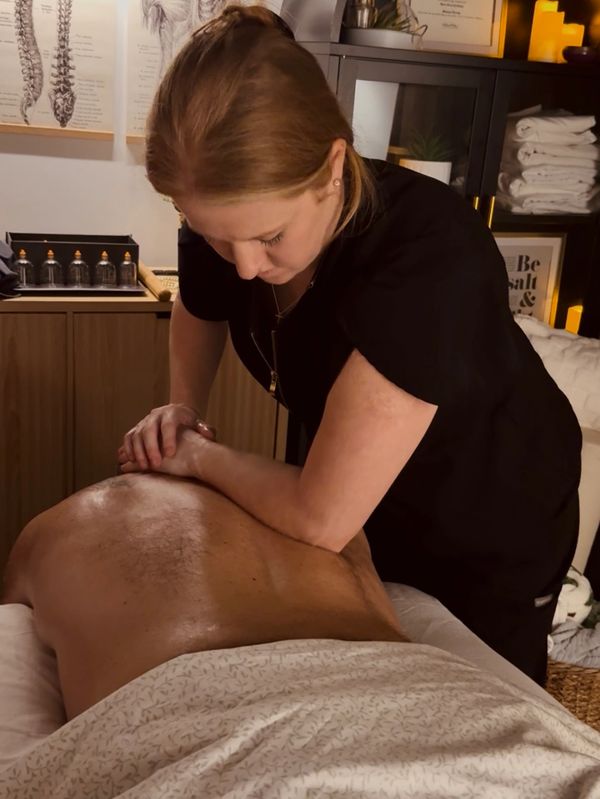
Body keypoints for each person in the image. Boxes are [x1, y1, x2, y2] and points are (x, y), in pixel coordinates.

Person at [117, 4, 582, 684]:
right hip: (356, 481)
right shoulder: (231, 212)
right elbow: (201, 303)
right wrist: (183, 405)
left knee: (477, 704)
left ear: (332, 169)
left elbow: (320, 514)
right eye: (216, 236)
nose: (242, 265)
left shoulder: (428, 255)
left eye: (270, 238)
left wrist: (195, 455)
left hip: (490, 509)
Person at [2, 473, 405, 720]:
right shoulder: (346, 525)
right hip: (419, 697)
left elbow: (11, 616)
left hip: (189, 710)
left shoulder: (68, 520)